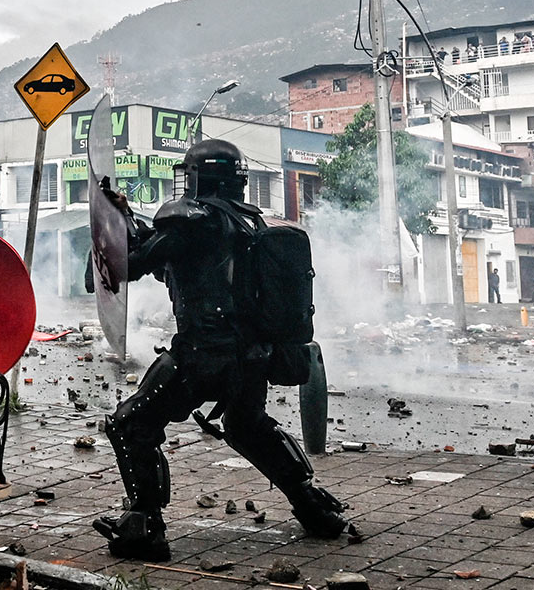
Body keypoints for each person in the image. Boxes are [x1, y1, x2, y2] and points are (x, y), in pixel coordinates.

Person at [93, 139, 351, 561]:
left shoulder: (191, 221)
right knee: (247, 425)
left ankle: (144, 527)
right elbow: (164, 255)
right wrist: (121, 213)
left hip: (203, 354)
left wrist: (103, 244)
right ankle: (314, 505)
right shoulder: (247, 222)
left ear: (198, 177)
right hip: (251, 356)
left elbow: (133, 263)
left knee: (130, 425)